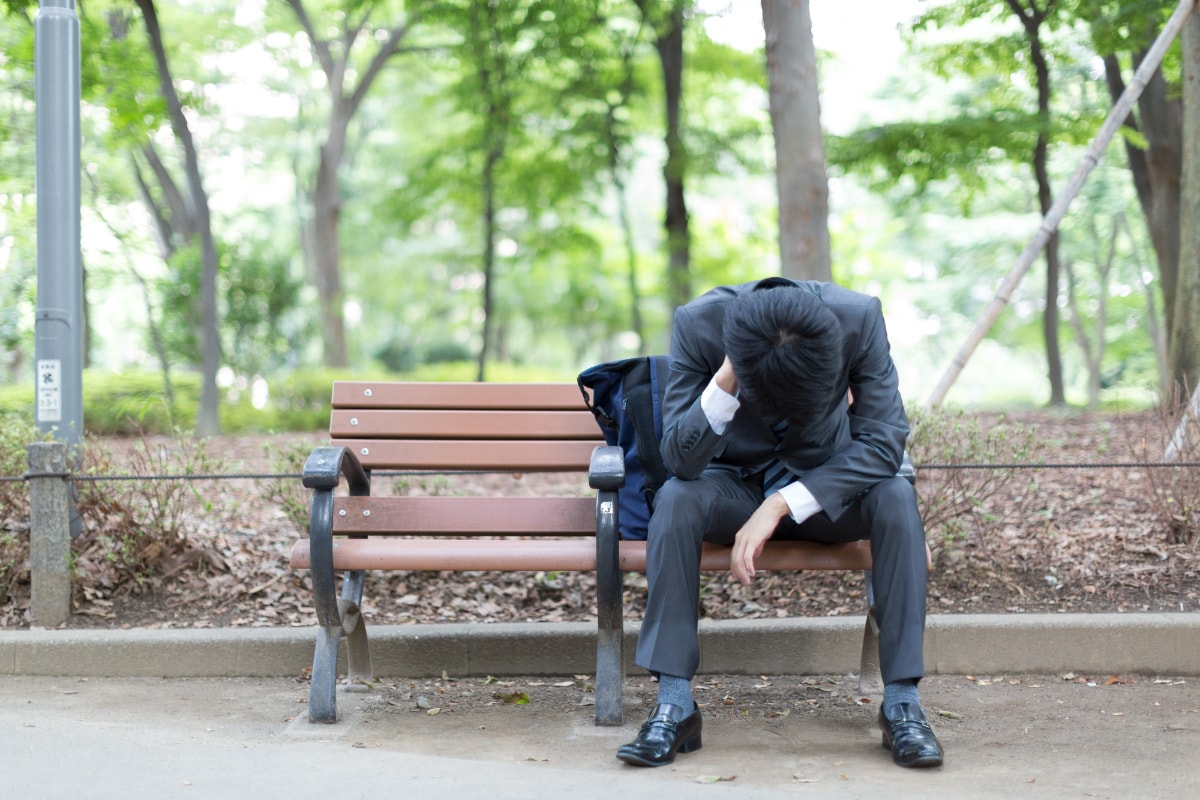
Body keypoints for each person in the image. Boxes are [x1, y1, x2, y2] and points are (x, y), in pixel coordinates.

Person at [615, 277, 943, 770]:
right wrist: (728, 374)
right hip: (734, 489)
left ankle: (902, 705)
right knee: (677, 498)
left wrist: (780, 505)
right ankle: (674, 703)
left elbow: (882, 441)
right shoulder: (699, 323)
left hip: (827, 494)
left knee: (896, 495)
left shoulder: (858, 318)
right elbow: (680, 461)